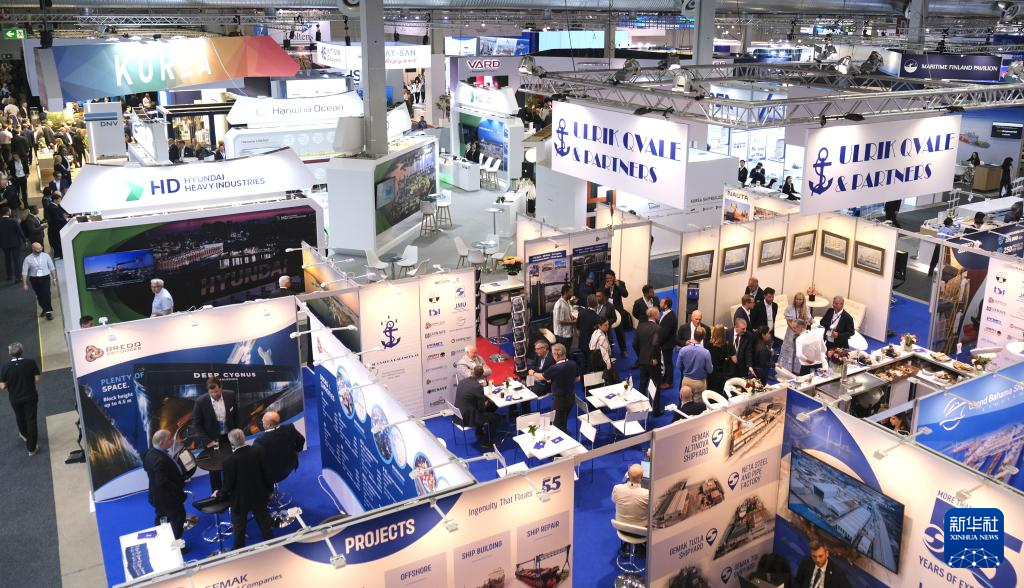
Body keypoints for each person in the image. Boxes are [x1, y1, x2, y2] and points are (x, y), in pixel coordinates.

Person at [218, 428, 275, 550]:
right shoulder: (258, 451)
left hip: (240, 500)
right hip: (259, 495)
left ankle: (240, 550)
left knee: (239, 527)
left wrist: (219, 495)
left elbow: (227, 485)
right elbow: (267, 473)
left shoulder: (229, 461)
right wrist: (269, 490)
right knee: (264, 522)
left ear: (231, 443)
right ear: (244, 437)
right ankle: (271, 546)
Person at [192, 376, 240, 491]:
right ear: (208, 391)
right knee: (214, 469)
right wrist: (207, 441)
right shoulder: (200, 402)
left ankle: (232, 489)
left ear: (221, 388)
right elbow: (197, 425)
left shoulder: (230, 395)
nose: (214, 394)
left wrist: (238, 434)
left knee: (232, 464)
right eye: (211, 392)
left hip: (229, 437)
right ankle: (217, 493)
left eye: (217, 391)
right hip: (212, 440)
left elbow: (237, 415)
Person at [143, 429, 188, 539]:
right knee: (178, 518)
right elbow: (161, 482)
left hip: (155, 496)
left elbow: (147, 469)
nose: (173, 440)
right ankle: (175, 545)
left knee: (161, 517)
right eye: (170, 438)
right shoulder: (160, 460)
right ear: (162, 443)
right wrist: (178, 491)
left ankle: (160, 540)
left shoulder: (149, 453)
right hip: (168, 498)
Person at [1, 342, 41, 455]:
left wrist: (10, 382)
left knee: (20, 417)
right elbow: (38, 379)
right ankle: (31, 448)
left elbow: (2, 386)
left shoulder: (5, 366)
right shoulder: (30, 362)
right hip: (30, 396)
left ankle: (24, 434)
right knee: (31, 420)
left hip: (15, 398)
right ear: (22, 351)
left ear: (10, 353)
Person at [530, 343, 578, 432]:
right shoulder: (572, 363)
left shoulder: (555, 368)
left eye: (552, 354)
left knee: (558, 426)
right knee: (563, 420)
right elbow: (577, 378)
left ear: (557, 355)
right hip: (571, 397)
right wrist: (561, 380)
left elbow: (542, 377)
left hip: (560, 400)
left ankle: (563, 438)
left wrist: (532, 373)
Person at [253, 411, 305, 486]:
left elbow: (255, 462)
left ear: (269, 425)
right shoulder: (289, 427)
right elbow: (301, 440)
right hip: (290, 465)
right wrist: (296, 452)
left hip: (273, 475)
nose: (262, 421)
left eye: (263, 421)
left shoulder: (260, 441)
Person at [454, 365, 500, 446]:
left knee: (491, 408)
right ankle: (486, 442)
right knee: (496, 417)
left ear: (472, 371)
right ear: (482, 375)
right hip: (468, 419)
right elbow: (481, 409)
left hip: (458, 415)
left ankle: (479, 431)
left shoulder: (461, 382)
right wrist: (487, 403)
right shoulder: (478, 387)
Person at [611, 464, 649, 553]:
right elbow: (653, 510)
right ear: (642, 477)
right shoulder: (647, 494)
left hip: (621, 528)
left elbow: (613, 500)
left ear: (628, 474)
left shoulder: (617, 488)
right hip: (641, 532)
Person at [634, 307, 663, 415]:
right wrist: (653, 358)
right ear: (655, 315)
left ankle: (642, 407)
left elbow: (634, 344)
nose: (659, 315)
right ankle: (655, 410)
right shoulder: (657, 328)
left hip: (642, 360)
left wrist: (640, 355)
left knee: (642, 384)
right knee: (655, 384)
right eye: (658, 314)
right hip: (653, 362)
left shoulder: (640, 326)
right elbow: (655, 344)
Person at [22, 242, 56, 320]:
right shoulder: (27, 259)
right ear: (33, 249)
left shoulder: (46, 256)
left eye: (41, 248)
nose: (40, 250)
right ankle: (44, 308)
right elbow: (24, 272)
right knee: (40, 295)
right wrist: (24, 283)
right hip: (34, 279)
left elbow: (52, 267)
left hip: (45, 278)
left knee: (47, 294)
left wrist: (54, 279)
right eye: (38, 249)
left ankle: (48, 312)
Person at [676, 327, 713, 395]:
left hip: (686, 381)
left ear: (693, 335)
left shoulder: (683, 350)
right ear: (703, 337)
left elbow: (678, 366)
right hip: (700, 383)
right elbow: (710, 370)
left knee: (685, 400)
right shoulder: (706, 353)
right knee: (698, 402)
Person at [603, 271, 630, 354]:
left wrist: (618, 286)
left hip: (618, 310)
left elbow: (625, 294)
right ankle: (608, 349)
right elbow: (600, 294)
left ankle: (623, 349)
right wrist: (606, 287)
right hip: (606, 310)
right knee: (606, 330)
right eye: (607, 278)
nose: (608, 280)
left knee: (620, 331)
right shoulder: (604, 283)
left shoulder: (621, 283)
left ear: (614, 277)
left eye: (610, 278)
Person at [575, 295, 600, 373]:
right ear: (596, 303)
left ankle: (583, 375)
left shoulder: (581, 313)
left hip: (582, 341)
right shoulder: (596, 317)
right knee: (590, 362)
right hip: (592, 344)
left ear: (587, 303)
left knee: (584, 361)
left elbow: (577, 326)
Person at [0, 206, 25, 283]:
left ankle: (9, 276)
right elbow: (20, 232)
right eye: (10, 211)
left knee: (7, 260)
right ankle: (18, 277)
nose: (11, 212)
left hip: (4, 244)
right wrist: (24, 240)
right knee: (16, 260)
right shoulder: (14, 221)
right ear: (7, 212)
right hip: (15, 243)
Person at [707, 325, 733, 393]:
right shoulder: (725, 346)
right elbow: (726, 360)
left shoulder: (708, 344)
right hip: (720, 374)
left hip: (710, 373)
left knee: (709, 392)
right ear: (723, 333)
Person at [589, 317, 617, 382]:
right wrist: (609, 365)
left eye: (608, 324)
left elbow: (590, 345)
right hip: (599, 358)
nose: (608, 326)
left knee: (597, 377)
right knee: (605, 377)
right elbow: (605, 354)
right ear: (599, 325)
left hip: (593, 356)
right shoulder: (602, 337)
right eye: (605, 325)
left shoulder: (595, 332)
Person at [45, 192, 68, 259]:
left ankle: (59, 254)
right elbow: (56, 219)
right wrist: (64, 218)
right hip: (56, 228)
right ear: (55, 200)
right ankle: (59, 255)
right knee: (57, 241)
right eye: (59, 199)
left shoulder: (54, 206)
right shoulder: (53, 207)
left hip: (55, 228)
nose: (60, 201)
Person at [552, 284, 575, 351]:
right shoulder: (559, 304)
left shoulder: (567, 301)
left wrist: (572, 317)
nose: (572, 294)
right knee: (563, 354)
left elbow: (567, 313)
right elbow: (560, 321)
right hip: (562, 336)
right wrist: (573, 322)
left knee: (567, 352)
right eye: (570, 292)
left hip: (567, 334)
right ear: (565, 292)